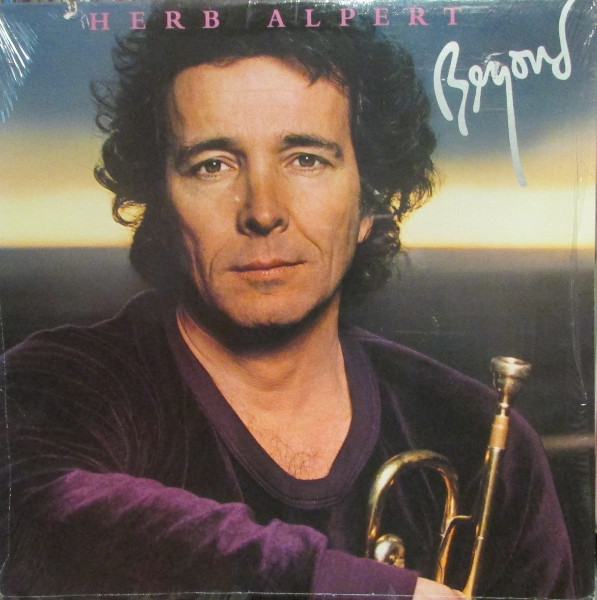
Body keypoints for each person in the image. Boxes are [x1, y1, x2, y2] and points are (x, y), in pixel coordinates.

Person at [0, 3, 574, 598]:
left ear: (369, 205)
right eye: (212, 165)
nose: (263, 211)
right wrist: (364, 589)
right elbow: (30, 509)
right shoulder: (54, 384)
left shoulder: (484, 439)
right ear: (162, 206)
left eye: (306, 159)